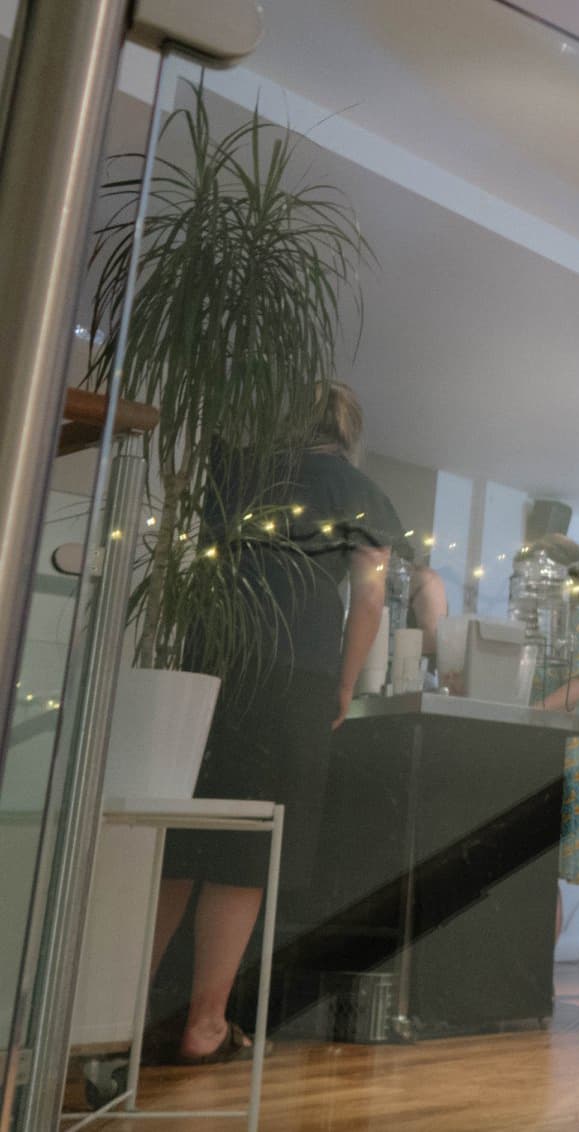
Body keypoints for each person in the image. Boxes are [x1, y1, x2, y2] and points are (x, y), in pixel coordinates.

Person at [152, 381, 400, 1063]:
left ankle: (115, 1014)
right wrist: (345, 685)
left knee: (177, 843)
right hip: (297, 674)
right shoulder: (361, 492)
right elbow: (369, 602)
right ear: (348, 433)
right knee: (246, 853)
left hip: (211, 661)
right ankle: (205, 1025)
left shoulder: (233, 471)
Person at [526, 534, 579, 910]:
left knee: (545, 874)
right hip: (541, 750)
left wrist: (531, 713)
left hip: (567, 756)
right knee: (534, 869)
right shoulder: (542, 627)